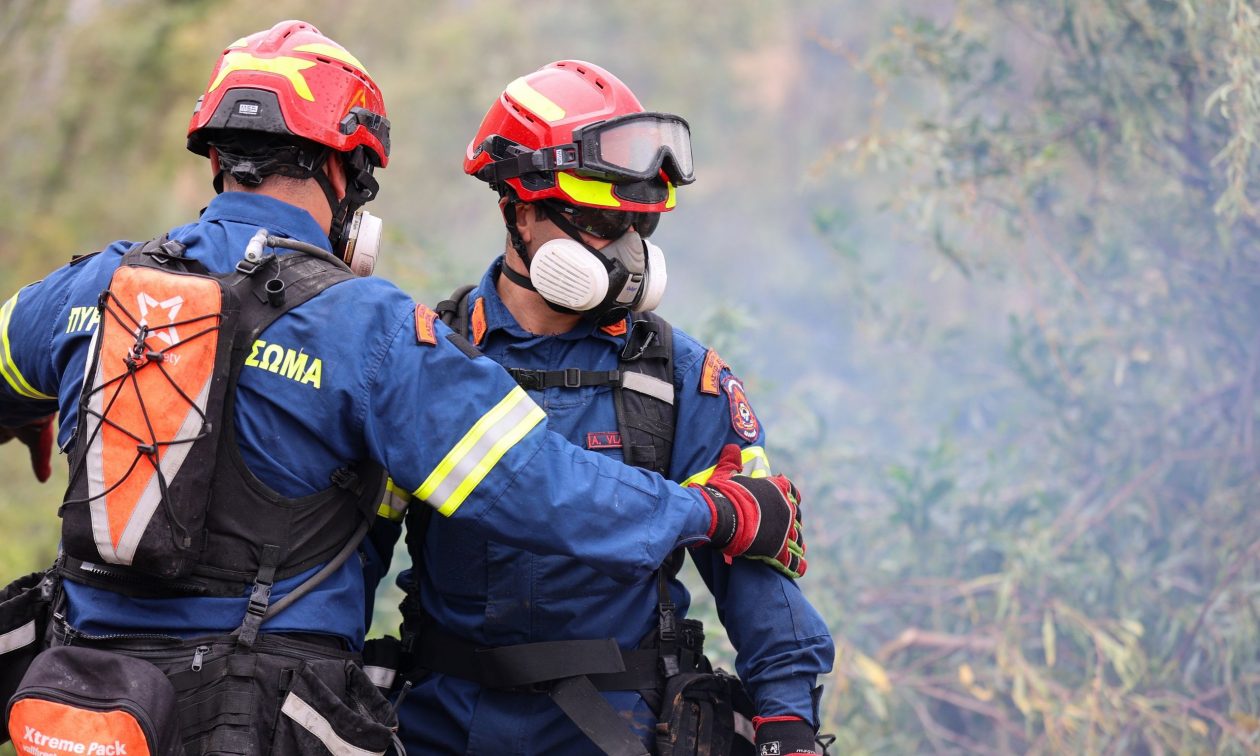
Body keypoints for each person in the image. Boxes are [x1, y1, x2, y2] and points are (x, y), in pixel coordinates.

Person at [0, 26, 805, 755]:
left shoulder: (92, 286)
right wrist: (714, 511)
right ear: (343, 166)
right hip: (257, 718)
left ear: (218, 157)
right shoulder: (371, 331)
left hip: (88, 707)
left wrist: (25, 405)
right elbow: (534, 485)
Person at [388, 60, 834, 756]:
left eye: (638, 222)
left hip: (619, 732)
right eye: (601, 219)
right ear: (520, 207)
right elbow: (342, 556)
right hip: (442, 729)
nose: (626, 249)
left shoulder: (683, 380)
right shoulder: (426, 362)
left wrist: (789, 724)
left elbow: (756, 577)